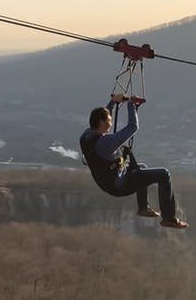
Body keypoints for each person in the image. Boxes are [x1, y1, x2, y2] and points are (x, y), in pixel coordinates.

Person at [80, 94, 188, 229]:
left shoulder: (86, 136)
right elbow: (132, 127)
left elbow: (103, 115)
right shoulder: (105, 143)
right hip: (119, 184)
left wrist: (113, 102)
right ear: (102, 123)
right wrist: (131, 105)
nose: (111, 123)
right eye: (109, 120)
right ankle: (169, 218)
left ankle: (143, 207)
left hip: (107, 182)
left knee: (141, 168)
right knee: (164, 174)